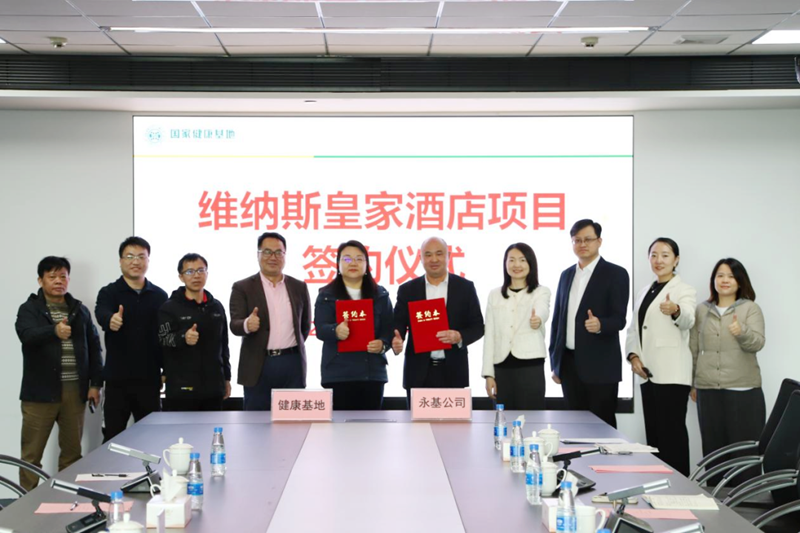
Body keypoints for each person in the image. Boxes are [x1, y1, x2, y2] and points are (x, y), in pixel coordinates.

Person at [15, 257, 103, 490]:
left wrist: (95, 384)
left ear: (68, 279)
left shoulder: (80, 311)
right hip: (39, 392)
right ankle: (26, 503)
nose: (58, 281)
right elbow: (26, 335)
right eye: (52, 276)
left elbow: (95, 347)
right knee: (31, 456)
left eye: (63, 276)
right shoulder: (29, 309)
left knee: (72, 455)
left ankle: (66, 502)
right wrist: (53, 330)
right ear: (40, 280)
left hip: (75, 391)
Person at [690, 258, 766, 483]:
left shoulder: (750, 308)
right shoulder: (702, 310)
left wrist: (741, 332)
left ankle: (745, 501)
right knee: (713, 452)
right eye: (720, 275)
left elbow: (758, 343)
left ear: (740, 281)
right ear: (713, 280)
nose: (725, 280)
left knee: (744, 454)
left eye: (731, 276)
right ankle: (715, 499)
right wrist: (693, 383)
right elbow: (694, 348)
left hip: (743, 390)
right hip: (707, 389)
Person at [625, 238, 696, 476]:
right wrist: (633, 356)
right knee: (654, 437)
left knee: (672, 436)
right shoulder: (645, 290)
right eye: (654, 255)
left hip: (672, 374)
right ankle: (659, 485)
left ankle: (681, 487)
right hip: (647, 373)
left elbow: (688, 319)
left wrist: (676, 310)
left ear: (676, 260)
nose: (659, 260)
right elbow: (634, 329)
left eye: (665, 255)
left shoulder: (684, 290)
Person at [549, 219, 629, 428]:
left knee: (603, 427)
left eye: (588, 239)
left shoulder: (616, 273)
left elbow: (619, 319)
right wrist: (556, 363)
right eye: (577, 240)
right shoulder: (566, 275)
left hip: (601, 367)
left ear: (599, 241)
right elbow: (558, 321)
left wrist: (601, 324)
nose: (582, 244)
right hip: (569, 366)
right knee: (575, 427)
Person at [392, 237, 484, 405]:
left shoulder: (465, 287)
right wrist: (397, 340)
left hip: (454, 372)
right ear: (420, 258)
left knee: (453, 422)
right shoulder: (408, 290)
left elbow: (478, 327)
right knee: (418, 422)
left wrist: (459, 336)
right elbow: (398, 324)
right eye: (428, 255)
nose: (433, 259)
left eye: (439, 253)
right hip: (418, 374)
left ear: (448, 256)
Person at [96, 236, 167, 442]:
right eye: (129, 256)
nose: (135, 261)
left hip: (149, 380)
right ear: (120, 261)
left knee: (151, 438)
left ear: (148, 260)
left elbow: (165, 335)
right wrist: (110, 319)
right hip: (117, 380)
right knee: (112, 436)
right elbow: (101, 312)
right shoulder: (109, 292)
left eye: (141, 256)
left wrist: (166, 370)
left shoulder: (160, 296)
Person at [230, 232, 311, 411]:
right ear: (258, 255)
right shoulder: (242, 287)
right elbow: (234, 324)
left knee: (292, 421)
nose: (273, 257)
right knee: (256, 421)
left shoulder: (299, 287)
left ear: (285, 255)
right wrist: (247, 324)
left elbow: (304, 326)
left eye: (278, 252)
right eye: (267, 252)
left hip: (292, 364)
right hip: (258, 364)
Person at [314, 241, 393, 410]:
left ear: (367, 265)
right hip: (337, 374)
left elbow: (389, 330)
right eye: (347, 259)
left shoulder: (380, 295)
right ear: (338, 264)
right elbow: (320, 329)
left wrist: (382, 344)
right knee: (339, 425)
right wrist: (335, 330)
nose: (353, 263)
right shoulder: (326, 295)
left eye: (359, 259)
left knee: (371, 425)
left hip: (372, 374)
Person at [158, 253, 231, 412]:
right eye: (190, 271)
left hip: (213, 387)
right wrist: (183, 337)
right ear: (181, 277)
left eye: (200, 270)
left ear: (207, 273)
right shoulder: (169, 307)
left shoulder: (216, 306)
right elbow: (163, 339)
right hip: (182, 388)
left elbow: (224, 344)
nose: (196, 276)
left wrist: (227, 378)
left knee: (213, 427)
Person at [482, 243, 551, 410]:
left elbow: (542, 309)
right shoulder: (494, 294)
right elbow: (489, 335)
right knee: (503, 418)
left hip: (531, 366)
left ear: (531, 263)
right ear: (505, 264)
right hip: (501, 367)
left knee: (532, 418)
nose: (516, 265)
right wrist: (488, 374)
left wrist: (538, 319)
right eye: (511, 260)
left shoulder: (541, 291)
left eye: (522, 260)